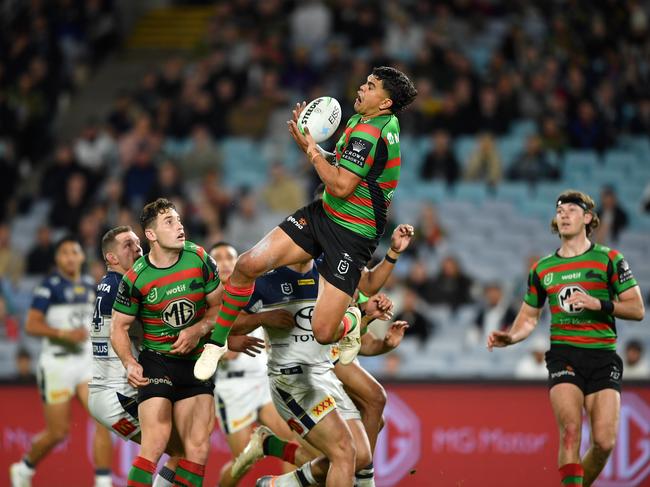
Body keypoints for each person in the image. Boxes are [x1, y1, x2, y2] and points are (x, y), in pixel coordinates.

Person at [195, 66, 417, 380]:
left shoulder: (371, 131)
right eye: (366, 81)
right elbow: (343, 169)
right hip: (324, 214)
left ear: (384, 103)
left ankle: (352, 322)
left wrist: (311, 151)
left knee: (325, 332)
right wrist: (311, 145)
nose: (362, 88)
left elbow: (340, 186)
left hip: (352, 235)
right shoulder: (368, 119)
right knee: (247, 264)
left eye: (371, 86)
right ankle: (216, 344)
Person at [488, 190, 645, 487]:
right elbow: (529, 316)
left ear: (588, 218)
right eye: (560, 210)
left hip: (602, 356)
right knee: (571, 430)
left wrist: (599, 304)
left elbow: (637, 309)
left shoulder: (610, 259)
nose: (563, 214)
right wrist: (511, 337)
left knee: (604, 442)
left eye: (572, 210)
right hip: (564, 355)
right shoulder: (543, 268)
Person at [110, 198, 260, 487]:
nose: (179, 226)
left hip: (195, 362)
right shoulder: (136, 278)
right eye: (169, 222)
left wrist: (199, 328)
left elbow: (220, 309)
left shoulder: (200, 259)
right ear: (151, 235)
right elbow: (120, 327)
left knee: (198, 450)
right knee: (155, 444)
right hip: (157, 361)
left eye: (178, 220)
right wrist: (129, 362)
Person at [10, 236, 113, 487]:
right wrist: (64, 334)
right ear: (57, 259)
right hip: (57, 365)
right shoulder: (50, 286)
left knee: (103, 418)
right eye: (64, 252)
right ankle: (24, 467)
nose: (69, 256)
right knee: (58, 432)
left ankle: (103, 482)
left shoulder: (91, 285)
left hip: (85, 363)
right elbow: (32, 324)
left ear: (81, 257)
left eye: (74, 251)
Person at [208, 242, 296, 487]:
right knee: (242, 462)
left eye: (230, 257)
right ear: (210, 267)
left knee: (292, 442)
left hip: (262, 380)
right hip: (232, 388)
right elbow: (218, 350)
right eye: (218, 258)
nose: (225, 262)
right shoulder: (207, 302)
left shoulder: (255, 291)